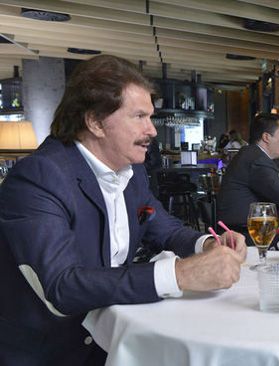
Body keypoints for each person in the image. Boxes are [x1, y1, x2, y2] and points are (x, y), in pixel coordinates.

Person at [0, 55, 247, 366]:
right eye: (139, 116)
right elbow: (62, 286)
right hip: (53, 353)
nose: (152, 130)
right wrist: (181, 274)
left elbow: (161, 225)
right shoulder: (40, 176)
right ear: (95, 122)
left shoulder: (131, 172)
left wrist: (207, 244)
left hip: (114, 335)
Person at [217, 113, 279, 240]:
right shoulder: (257, 160)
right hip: (244, 233)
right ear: (266, 137)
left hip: (242, 227)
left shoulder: (251, 154)